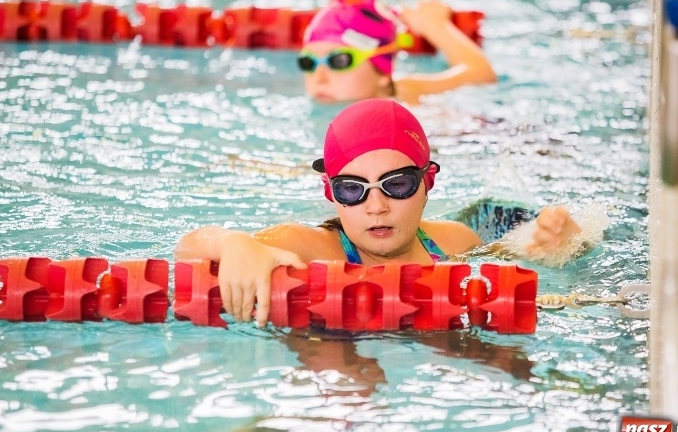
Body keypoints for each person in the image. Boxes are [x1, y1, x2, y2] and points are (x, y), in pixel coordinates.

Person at [175, 98, 585, 326]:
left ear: (428, 183)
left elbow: (514, 258)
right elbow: (188, 249)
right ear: (331, 193)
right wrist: (235, 243)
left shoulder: (452, 241)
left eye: (397, 184)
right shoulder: (312, 249)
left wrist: (555, 245)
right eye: (352, 190)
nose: (376, 206)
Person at [298, 0, 497, 105]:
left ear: (383, 73)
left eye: (339, 60)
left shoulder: (407, 94)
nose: (319, 78)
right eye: (308, 62)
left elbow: (481, 74)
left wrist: (436, 27)